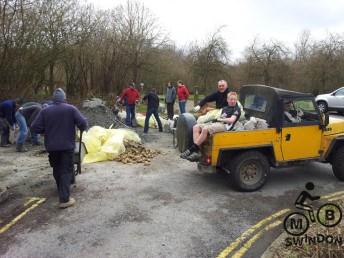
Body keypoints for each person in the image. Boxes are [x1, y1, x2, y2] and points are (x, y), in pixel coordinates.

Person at [31, 88, 88, 209]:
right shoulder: (71, 109)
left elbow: (34, 127)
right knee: (66, 170)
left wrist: (45, 131)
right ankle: (64, 199)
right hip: (67, 146)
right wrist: (81, 127)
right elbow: (83, 123)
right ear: (64, 98)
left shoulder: (45, 111)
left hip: (52, 147)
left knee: (57, 169)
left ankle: (61, 189)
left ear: (53, 99)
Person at [181, 92, 241, 162]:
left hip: (225, 126)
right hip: (217, 123)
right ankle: (197, 151)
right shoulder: (225, 108)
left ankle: (192, 149)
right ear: (227, 100)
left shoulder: (236, 109)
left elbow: (231, 120)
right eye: (231, 99)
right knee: (196, 127)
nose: (233, 101)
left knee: (205, 129)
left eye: (234, 99)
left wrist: (219, 119)